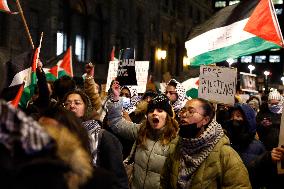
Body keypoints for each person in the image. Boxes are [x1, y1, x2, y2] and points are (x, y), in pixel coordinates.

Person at [160, 98, 251, 189]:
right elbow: (164, 182)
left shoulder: (226, 154)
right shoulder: (175, 146)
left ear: (205, 120)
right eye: (183, 110)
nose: (184, 114)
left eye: (191, 111)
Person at [107, 80, 179, 189]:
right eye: (151, 111)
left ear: (168, 116)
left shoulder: (176, 140)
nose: (154, 113)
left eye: (160, 110)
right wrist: (116, 99)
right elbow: (116, 123)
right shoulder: (141, 130)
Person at [62, 89, 128, 189]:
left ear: (86, 108)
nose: (71, 106)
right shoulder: (59, 136)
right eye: (67, 103)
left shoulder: (104, 137)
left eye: (77, 103)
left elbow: (118, 180)